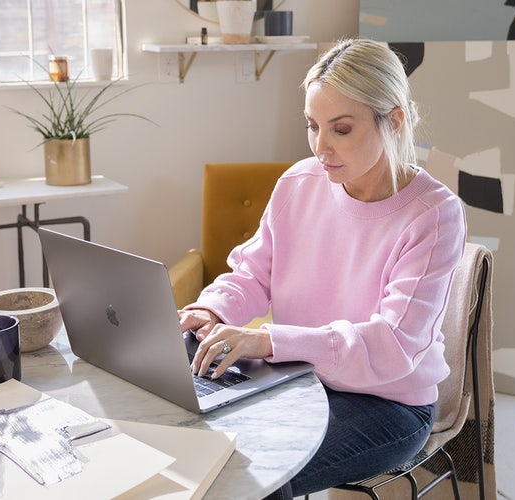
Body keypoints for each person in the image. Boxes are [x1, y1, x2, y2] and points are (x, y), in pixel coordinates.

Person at [178, 38, 466, 498]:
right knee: (193, 442)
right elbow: (253, 273)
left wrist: (269, 339)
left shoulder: (434, 214)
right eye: (313, 126)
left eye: (342, 129)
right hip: (298, 379)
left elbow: (393, 345)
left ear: (393, 122)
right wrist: (212, 309)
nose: (322, 147)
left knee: (250, 477)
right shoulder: (299, 182)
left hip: (388, 404)